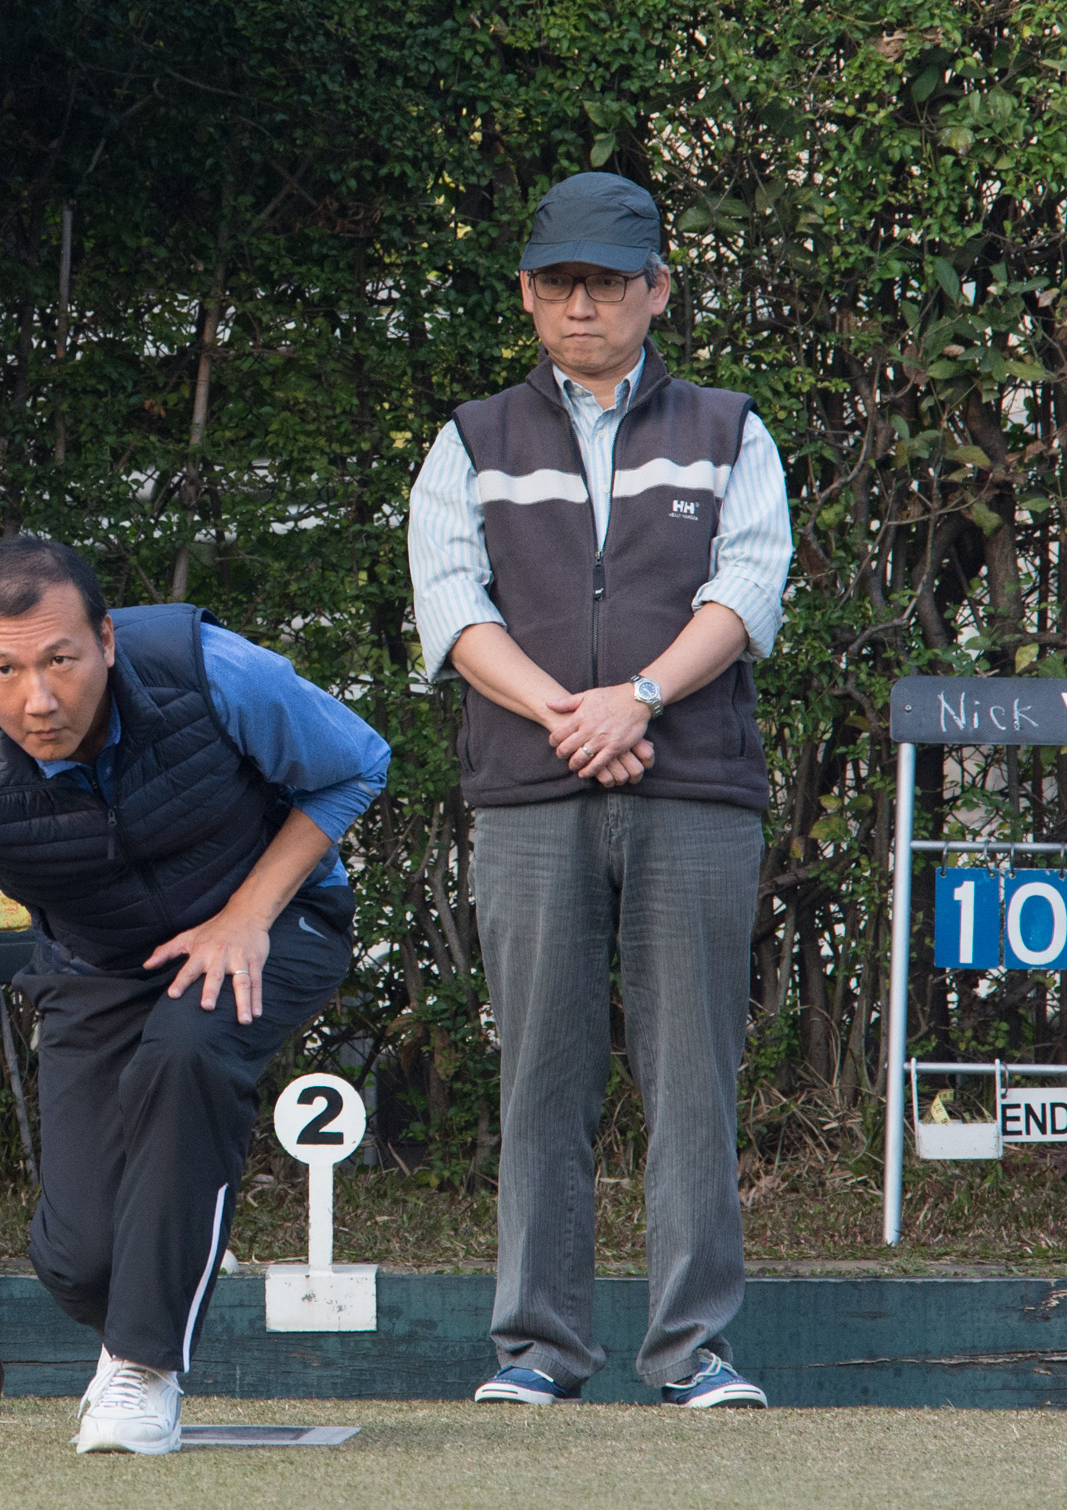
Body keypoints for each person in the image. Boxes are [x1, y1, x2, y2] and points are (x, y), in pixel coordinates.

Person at [0, 538, 390, 1454]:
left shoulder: (208, 669)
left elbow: (357, 763)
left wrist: (247, 914)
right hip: (96, 963)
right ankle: (151, 1283)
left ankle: (142, 1370)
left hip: (273, 921)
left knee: (188, 1048)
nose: (39, 699)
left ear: (106, 639)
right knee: (77, 1262)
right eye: (5, 670)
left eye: (60, 660)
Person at [406, 171, 793, 1410]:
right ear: (527, 293)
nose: (584, 305)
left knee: (694, 1079)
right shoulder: (471, 438)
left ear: (657, 290)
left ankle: (693, 1351)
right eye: (561, 282)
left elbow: (748, 587)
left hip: (694, 787)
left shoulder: (731, 429)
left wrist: (640, 697)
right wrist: (574, 715)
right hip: (530, 792)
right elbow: (451, 605)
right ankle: (537, 1349)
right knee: (541, 1076)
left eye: (609, 282)